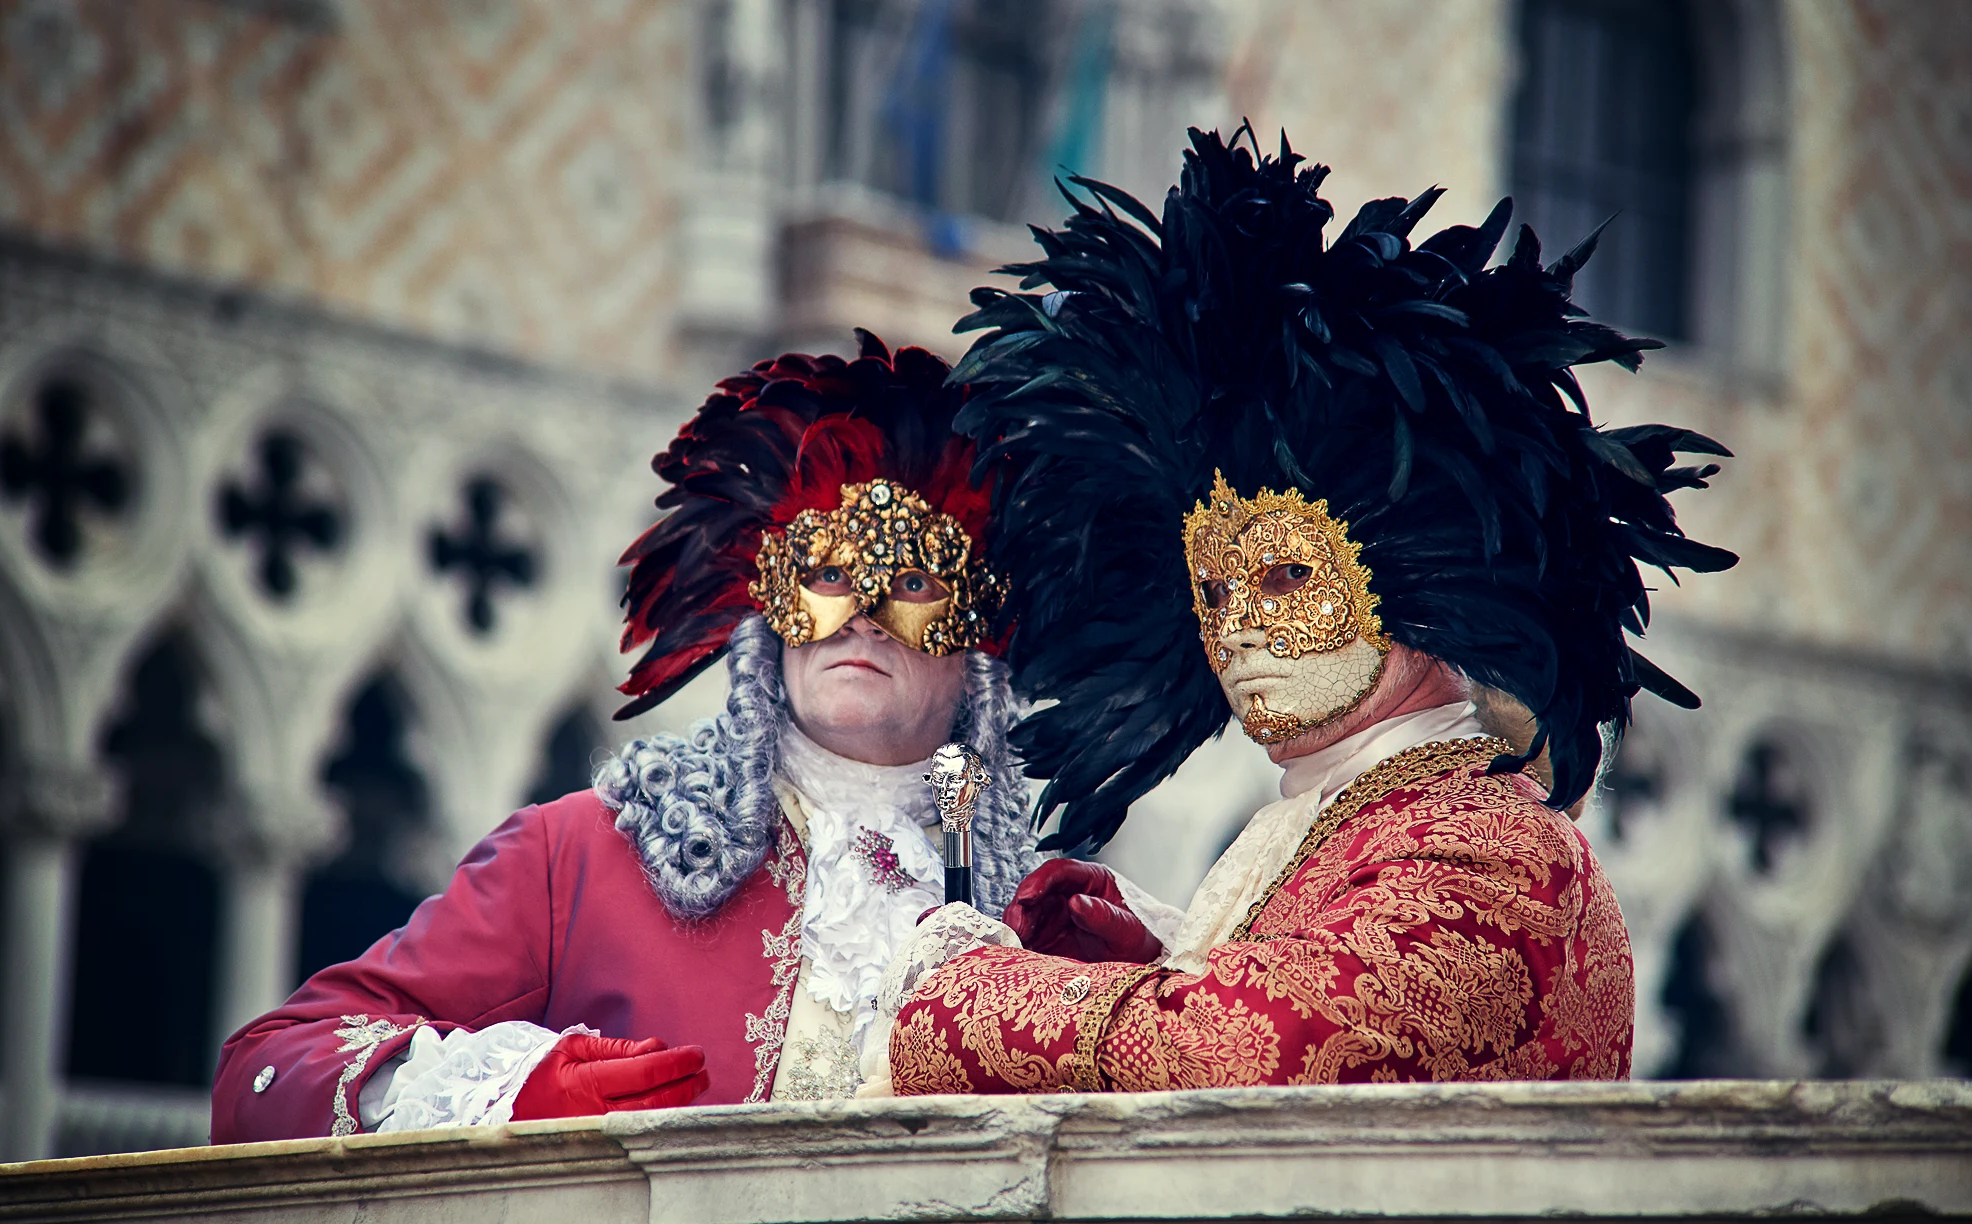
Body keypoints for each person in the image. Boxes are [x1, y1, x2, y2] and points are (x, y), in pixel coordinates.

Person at [880, 127, 1737, 1093]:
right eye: (1212, 590)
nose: (1236, 624)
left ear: (1415, 590)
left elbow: (1260, 1046)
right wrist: (1139, 950)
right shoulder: (1340, 823)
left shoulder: (1496, 845)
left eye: (1286, 577)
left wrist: (972, 998)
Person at [211, 334, 1130, 1142]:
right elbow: (267, 1072)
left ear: (980, 644)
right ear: (769, 616)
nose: (861, 618)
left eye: (915, 581)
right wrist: (507, 1094)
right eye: (826, 576)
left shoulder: (1050, 928)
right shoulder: (577, 861)